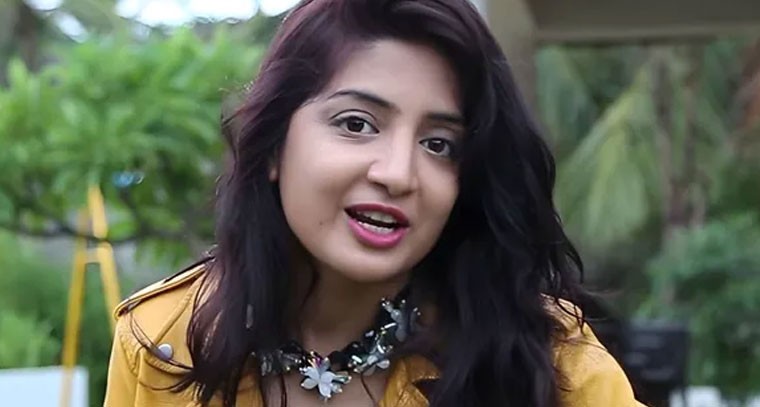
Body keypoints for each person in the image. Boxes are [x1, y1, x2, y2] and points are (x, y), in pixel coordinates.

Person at [104, 0, 647, 406]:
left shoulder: (550, 361)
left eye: (439, 144)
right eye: (357, 124)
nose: (398, 174)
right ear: (272, 147)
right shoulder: (162, 342)